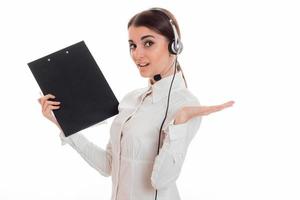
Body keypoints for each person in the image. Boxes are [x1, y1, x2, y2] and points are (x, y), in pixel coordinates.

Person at [38, 7, 234, 200]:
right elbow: (108, 166)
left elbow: (161, 181)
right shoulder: (130, 99)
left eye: (148, 43)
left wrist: (179, 123)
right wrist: (62, 122)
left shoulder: (185, 105)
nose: (137, 54)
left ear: (175, 46)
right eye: (132, 45)